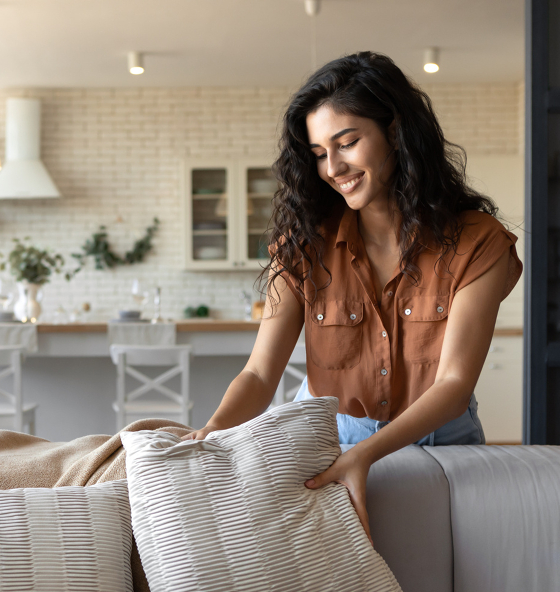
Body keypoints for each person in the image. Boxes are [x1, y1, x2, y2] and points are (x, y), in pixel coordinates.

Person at [182, 52, 522, 542]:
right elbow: (260, 373)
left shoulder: (476, 241)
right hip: (333, 438)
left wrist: (366, 455)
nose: (333, 167)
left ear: (397, 133)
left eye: (348, 143)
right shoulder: (303, 245)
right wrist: (211, 432)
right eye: (319, 152)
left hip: (445, 441)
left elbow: (452, 384)